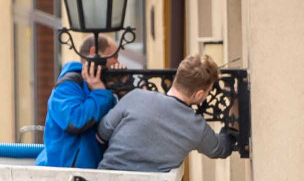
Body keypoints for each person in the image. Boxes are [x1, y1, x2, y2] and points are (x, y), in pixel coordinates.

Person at [97, 54, 236, 172]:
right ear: (199, 94)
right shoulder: (195, 127)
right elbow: (220, 148)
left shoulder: (136, 96)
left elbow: (102, 133)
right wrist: (234, 111)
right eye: (208, 91)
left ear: (178, 78)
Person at [35, 35, 121, 169]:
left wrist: (122, 90)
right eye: (114, 56)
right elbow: (75, 120)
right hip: (63, 176)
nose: (117, 63)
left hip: (92, 175)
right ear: (94, 53)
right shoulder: (68, 85)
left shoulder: (104, 88)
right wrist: (101, 93)